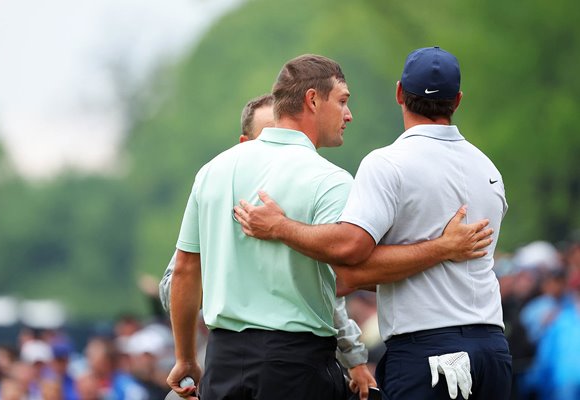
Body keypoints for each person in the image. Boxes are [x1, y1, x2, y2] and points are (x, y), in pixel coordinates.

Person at [169, 53, 491, 400]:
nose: (348, 114)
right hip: (295, 364)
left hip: (222, 361)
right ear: (312, 100)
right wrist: (442, 249)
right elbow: (353, 267)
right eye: (342, 101)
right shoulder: (329, 180)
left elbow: (185, 270)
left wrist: (185, 357)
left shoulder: (213, 171)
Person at [160, 92, 376, 398]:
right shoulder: (220, 184)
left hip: (239, 361)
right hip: (270, 358)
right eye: (268, 136)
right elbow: (178, 280)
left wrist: (353, 359)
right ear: (246, 143)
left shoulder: (303, 186)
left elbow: (329, 291)